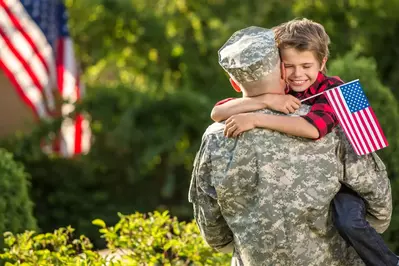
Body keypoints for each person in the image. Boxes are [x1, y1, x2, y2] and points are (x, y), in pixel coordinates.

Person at [189, 26, 393, 266]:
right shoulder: (308, 113)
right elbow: (378, 202)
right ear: (280, 69)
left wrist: (256, 116)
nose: (298, 74)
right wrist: (266, 101)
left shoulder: (216, 137)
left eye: (306, 66)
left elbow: (212, 225)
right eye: (289, 66)